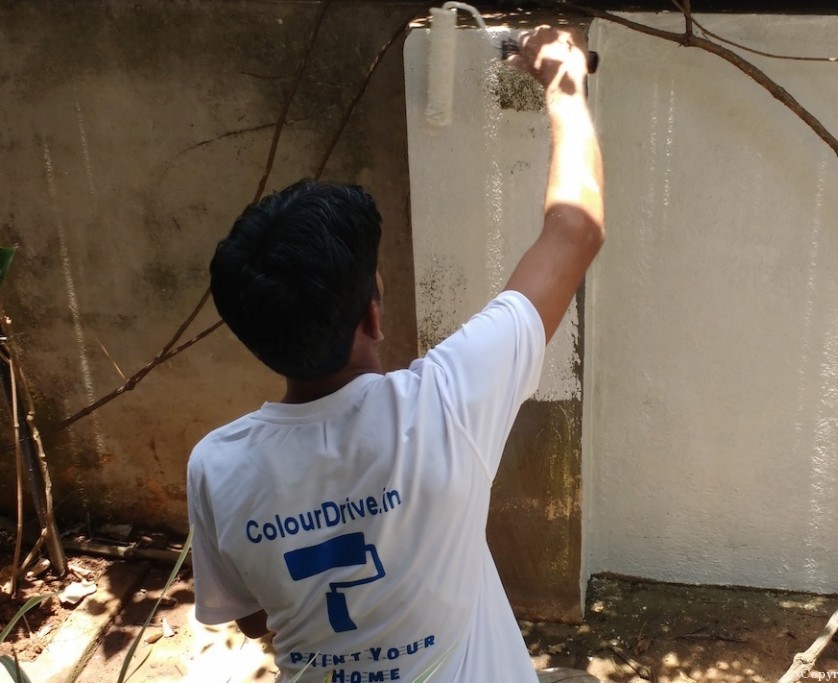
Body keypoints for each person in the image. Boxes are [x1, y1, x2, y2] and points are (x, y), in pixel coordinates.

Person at [187, 25, 604, 683]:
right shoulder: (445, 406)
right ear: (373, 315)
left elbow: (255, 619)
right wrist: (564, 82)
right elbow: (576, 229)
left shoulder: (216, 467)